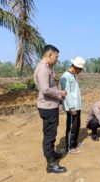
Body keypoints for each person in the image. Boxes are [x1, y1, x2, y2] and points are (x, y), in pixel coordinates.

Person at [34, 44, 67, 173]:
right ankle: (51, 164)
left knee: (51, 133)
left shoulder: (47, 68)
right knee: (50, 135)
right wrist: (60, 94)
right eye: (56, 56)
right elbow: (45, 89)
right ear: (49, 55)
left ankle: (52, 154)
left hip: (50, 106)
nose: (57, 59)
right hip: (47, 107)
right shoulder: (43, 69)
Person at [60, 56, 85, 154]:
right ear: (75, 67)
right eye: (80, 69)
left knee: (76, 125)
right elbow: (67, 93)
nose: (81, 71)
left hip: (76, 105)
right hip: (72, 107)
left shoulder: (72, 75)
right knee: (71, 126)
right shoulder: (65, 77)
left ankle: (74, 143)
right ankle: (69, 147)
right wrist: (71, 107)